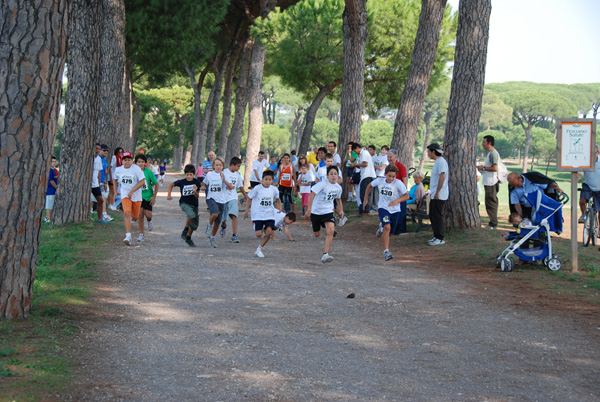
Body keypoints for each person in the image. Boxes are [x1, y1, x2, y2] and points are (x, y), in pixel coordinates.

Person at [363, 164, 409, 261]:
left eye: (393, 176)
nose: (391, 178)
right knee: (387, 227)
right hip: (383, 208)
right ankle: (386, 252)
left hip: (395, 210)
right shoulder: (380, 181)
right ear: (385, 174)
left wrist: (396, 201)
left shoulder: (398, 183)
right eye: (389, 176)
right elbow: (370, 185)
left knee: (390, 232)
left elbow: (406, 196)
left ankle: (381, 229)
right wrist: (365, 199)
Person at [305, 166, 345, 263]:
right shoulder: (322, 184)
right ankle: (321, 224)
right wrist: (309, 209)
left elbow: (338, 199)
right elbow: (312, 195)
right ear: (327, 175)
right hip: (316, 211)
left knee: (330, 231)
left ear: (338, 176)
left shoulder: (338, 187)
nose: (333, 176)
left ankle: (325, 254)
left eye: (335, 174)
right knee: (317, 234)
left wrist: (341, 211)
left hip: (328, 211)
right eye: (331, 174)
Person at [244, 170, 282, 258]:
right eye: (266, 179)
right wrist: (246, 211)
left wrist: (280, 206)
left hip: (269, 214)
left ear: (272, 180)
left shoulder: (274, 189)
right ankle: (255, 224)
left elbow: (278, 198)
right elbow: (249, 198)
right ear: (262, 179)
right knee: (258, 234)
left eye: (270, 180)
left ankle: (259, 249)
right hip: (258, 214)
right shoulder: (257, 188)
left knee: (269, 232)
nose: (268, 181)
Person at [114, 152, 146, 245]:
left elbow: (142, 182)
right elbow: (114, 179)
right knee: (127, 213)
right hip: (125, 195)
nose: (127, 162)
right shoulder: (118, 170)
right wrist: (116, 190)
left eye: (129, 160)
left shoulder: (136, 169)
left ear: (131, 161)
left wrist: (132, 191)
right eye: (125, 160)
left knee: (135, 217)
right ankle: (128, 236)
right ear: (122, 161)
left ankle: (133, 219)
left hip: (136, 196)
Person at [202, 158, 234, 248]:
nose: (218, 167)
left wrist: (224, 180)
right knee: (214, 213)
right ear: (213, 166)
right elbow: (204, 183)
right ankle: (209, 225)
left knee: (218, 221)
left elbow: (231, 187)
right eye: (216, 165)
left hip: (222, 200)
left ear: (223, 166)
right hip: (211, 198)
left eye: (220, 165)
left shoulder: (225, 175)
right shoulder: (209, 174)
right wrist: (202, 187)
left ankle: (212, 237)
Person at [167, 164, 202, 247]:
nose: (189, 176)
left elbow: (197, 196)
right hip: (184, 203)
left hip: (194, 204)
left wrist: (195, 191)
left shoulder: (196, 182)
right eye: (187, 175)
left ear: (194, 174)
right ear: (185, 174)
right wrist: (169, 194)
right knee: (190, 214)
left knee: (193, 225)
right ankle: (185, 230)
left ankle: (188, 237)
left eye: (191, 175)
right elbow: (172, 184)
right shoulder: (182, 182)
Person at [222, 157, 248, 243]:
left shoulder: (238, 175)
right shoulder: (224, 172)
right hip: (223, 198)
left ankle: (234, 235)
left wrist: (245, 195)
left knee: (234, 215)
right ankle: (223, 225)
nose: (238, 168)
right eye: (237, 166)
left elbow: (240, 186)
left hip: (233, 197)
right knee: (223, 218)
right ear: (232, 165)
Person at [427, 143, 448, 246]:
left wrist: (438, 191)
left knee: (437, 216)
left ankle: (440, 238)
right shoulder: (437, 162)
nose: (428, 154)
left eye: (429, 152)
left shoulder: (441, 162)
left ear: (433, 152)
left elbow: (442, 176)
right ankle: (436, 236)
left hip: (439, 194)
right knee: (433, 215)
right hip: (434, 193)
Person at [477, 135, 500, 229]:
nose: (482, 144)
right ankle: (492, 222)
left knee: (491, 203)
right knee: (489, 202)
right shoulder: (490, 153)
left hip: (492, 181)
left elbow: (495, 168)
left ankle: (493, 223)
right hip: (489, 181)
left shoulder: (493, 153)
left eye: (484, 142)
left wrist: (483, 168)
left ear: (490, 143)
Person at [135, 154, 159, 242]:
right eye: (139, 162)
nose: (140, 164)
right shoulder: (134, 172)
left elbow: (156, 184)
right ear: (135, 163)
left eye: (142, 162)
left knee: (148, 214)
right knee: (140, 215)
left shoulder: (148, 172)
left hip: (148, 196)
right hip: (138, 197)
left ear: (145, 163)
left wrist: (154, 196)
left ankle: (149, 220)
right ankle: (141, 234)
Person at [349, 143, 376, 216]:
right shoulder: (364, 153)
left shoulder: (363, 153)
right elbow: (363, 166)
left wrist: (355, 164)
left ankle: (365, 210)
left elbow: (365, 164)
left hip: (367, 175)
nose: (355, 152)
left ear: (358, 148)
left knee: (364, 194)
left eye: (355, 150)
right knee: (365, 193)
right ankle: (365, 209)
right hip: (366, 175)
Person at [386, 148, 409, 233]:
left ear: (395, 157)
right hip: (391, 193)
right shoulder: (388, 167)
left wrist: (404, 192)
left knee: (401, 212)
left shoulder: (400, 166)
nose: (389, 159)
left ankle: (401, 229)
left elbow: (405, 179)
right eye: (388, 157)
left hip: (400, 194)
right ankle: (392, 228)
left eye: (391, 157)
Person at [579, 144, 600, 226]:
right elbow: (579, 173)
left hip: (599, 187)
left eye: (593, 153)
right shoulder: (585, 161)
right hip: (588, 185)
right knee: (582, 201)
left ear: (598, 153)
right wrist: (574, 180)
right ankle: (584, 215)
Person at [91, 143, 109, 224]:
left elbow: (99, 171)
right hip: (89, 183)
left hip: (95, 184)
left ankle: (100, 218)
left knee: (100, 200)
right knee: (90, 200)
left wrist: (100, 183)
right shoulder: (90, 158)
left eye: (98, 148)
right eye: (96, 148)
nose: (97, 150)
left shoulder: (98, 159)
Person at [99, 144, 113, 222]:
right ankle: (103, 214)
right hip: (97, 182)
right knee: (102, 198)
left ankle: (103, 213)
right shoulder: (98, 159)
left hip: (102, 182)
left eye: (107, 151)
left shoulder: (104, 160)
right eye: (104, 150)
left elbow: (104, 172)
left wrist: (104, 183)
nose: (106, 152)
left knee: (103, 198)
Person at [44, 156, 59, 223]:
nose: (54, 163)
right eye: (52, 161)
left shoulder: (54, 170)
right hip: (50, 190)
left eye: (55, 162)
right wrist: (56, 187)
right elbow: (51, 181)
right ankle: (48, 218)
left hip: (54, 190)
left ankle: (51, 217)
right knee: (49, 204)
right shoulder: (49, 170)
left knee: (52, 204)